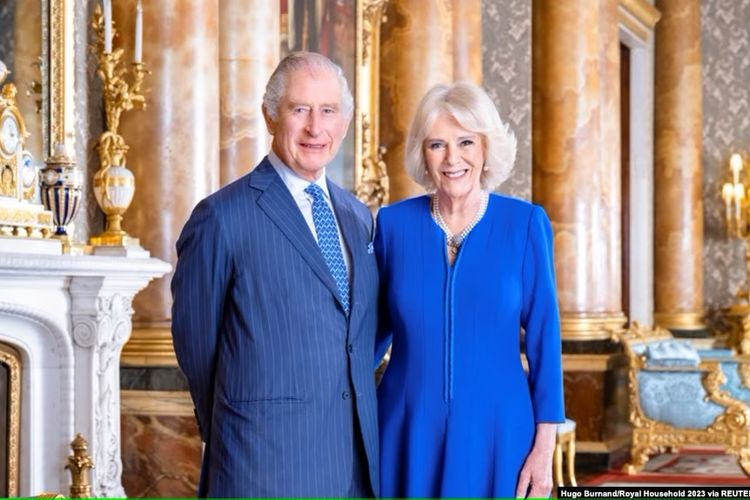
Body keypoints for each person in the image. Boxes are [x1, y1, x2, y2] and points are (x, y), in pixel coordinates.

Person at [171, 52, 380, 498]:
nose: (315, 128)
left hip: (355, 467)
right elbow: (196, 347)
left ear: (344, 123)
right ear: (270, 116)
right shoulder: (221, 218)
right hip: (262, 465)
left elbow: (357, 336)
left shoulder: (357, 216)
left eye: (328, 111)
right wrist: (234, 427)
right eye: (299, 109)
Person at [374, 81, 564, 498]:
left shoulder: (524, 225)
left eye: (465, 142)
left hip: (500, 430)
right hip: (407, 429)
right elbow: (368, 337)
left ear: (485, 149)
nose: (452, 158)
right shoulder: (392, 226)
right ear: (422, 155)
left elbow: (544, 343)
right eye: (437, 145)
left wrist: (544, 448)